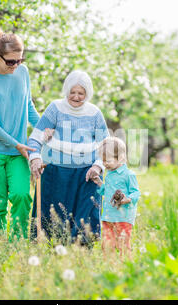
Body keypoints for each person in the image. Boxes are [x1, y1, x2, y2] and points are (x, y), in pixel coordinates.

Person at [0, 27, 50, 240]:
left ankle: (17, 247)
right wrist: (16, 143)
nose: (15, 66)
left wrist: (46, 127)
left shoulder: (22, 73)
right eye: (10, 62)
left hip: (19, 152)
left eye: (19, 60)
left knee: (22, 195)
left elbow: (28, 106)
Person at [27, 70, 109, 246]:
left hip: (87, 173)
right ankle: (48, 247)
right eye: (73, 92)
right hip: (56, 171)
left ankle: (81, 250)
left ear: (87, 94)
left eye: (81, 93)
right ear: (66, 91)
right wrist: (34, 158)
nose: (76, 97)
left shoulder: (95, 113)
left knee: (85, 218)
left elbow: (106, 145)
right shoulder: (55, 108)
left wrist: (97, 166)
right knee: (53, 220)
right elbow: (35, 137)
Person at [93, 137, 141, 257]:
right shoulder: (109, 174)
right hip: (108, 216)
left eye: (107, 160)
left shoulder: (128, 175)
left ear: (120, 158)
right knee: (107, 245)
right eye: (102, 161)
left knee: (123, 244)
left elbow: (136, 193)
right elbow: (108, 192)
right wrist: (100, 183)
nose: (104, 164)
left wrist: (127, 199)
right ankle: (109, 266)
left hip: (123, 217)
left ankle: (124, 266)